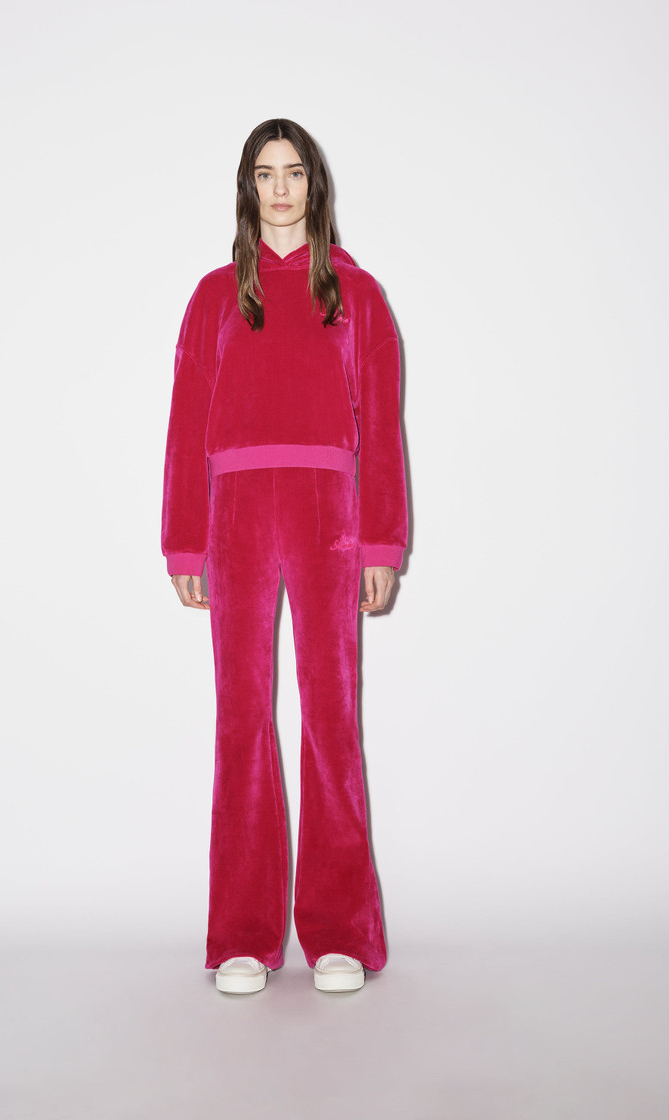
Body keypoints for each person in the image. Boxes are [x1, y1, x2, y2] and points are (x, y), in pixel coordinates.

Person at [161, 119, 407, 994]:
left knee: (330, 717)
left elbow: (382, 426)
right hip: (234, 514)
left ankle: (340, 931)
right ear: (247, 188)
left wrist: (381, 541)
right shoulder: (213, 296)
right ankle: (243, 933)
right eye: (264, 174)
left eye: (293, 172)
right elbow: (186, 421)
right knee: (241, 718)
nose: (279, 188)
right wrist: (184, 539)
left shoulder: (358, 296)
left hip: (328, 513)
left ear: (314, 184)